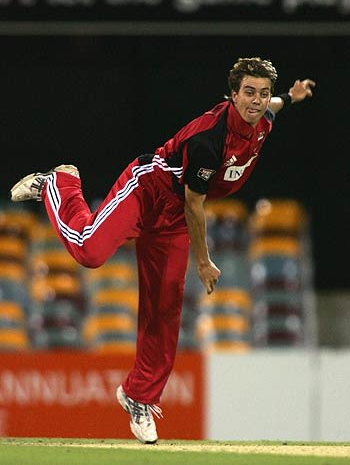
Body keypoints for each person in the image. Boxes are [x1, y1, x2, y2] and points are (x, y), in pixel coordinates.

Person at [10, 57, 315, 444]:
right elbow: (194, 205)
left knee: (164, 308)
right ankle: (60, 183)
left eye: (263, 93)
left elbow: (273, 108)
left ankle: (139, 396)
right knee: (89, 251)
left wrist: (292, 96)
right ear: (232, 95)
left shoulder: (263, 119)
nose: (257, 101)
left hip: (172, 223)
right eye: (249, 93)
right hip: (149, 191)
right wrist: (203, 262)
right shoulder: (210, 141)